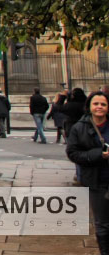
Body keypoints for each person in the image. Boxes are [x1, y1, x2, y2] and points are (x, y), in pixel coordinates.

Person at [66, 90, 109, 255]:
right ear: (89, 106)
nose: (99, 107)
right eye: (96, 104)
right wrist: (100, 154)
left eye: (103, 104)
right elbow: (73, 153)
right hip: (97, 182)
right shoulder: (79, 128)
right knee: (103, 223)